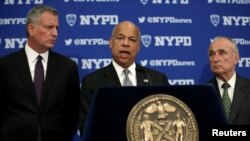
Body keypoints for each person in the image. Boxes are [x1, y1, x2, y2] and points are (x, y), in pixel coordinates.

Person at [0, 5, 80, 141]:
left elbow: (73, 113)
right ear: (31, 29)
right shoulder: (5, 65)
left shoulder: (68, 67)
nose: (55, 33)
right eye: (49, 27)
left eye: (57, 28)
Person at [79, 21, 169, 137]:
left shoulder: (157, 79)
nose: (126, 44)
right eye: (120, 38)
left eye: (132, 40)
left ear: (138, 47)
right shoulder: (92, 82)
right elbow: (87, 130)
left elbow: (167, 121)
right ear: (111, 43)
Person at [207, 36, 250, 124]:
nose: (215, 59)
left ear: (236, 58)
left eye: (221, 53)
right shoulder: (203, 92)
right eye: (211, 54)